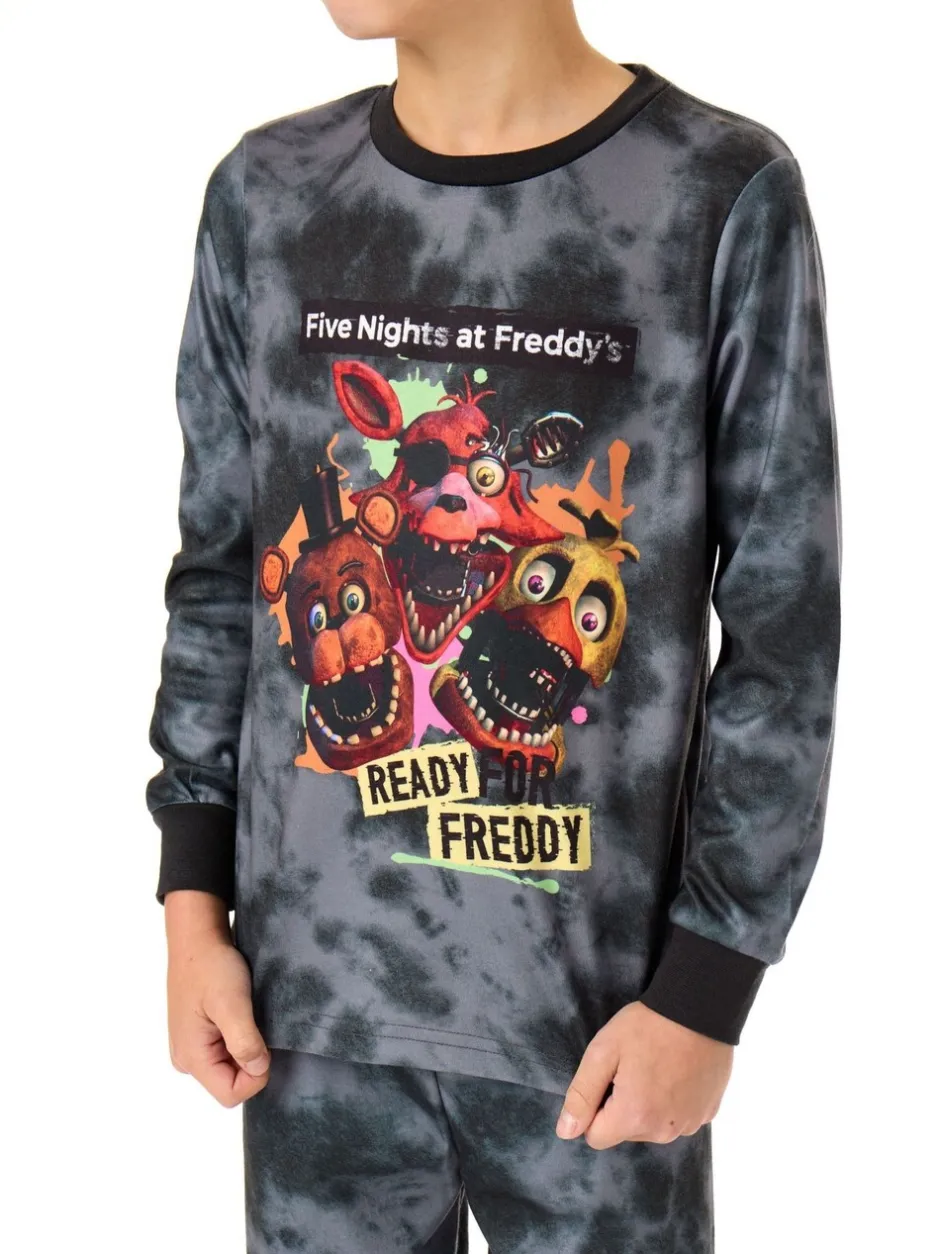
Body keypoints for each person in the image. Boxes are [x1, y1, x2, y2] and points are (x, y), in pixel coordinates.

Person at [147, 1, 841, 1249]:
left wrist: (708, 986)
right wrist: (191, 907)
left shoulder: (713, 194)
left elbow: (784, 629)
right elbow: (222, 573)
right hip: (310, 1027)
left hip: (601, 1038)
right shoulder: (269, 195)